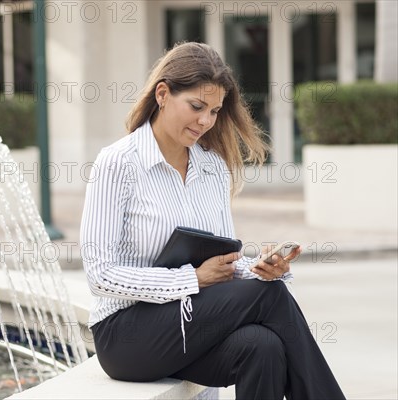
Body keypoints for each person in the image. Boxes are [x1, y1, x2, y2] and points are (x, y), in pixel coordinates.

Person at [80, 42, 345, 400]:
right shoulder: (118, 163)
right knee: (271, 298)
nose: (206, 121)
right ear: (163, 94)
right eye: (197, 107)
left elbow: (222, 264)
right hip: (127, 335)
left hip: (190, 325)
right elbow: (100, 274)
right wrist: (191, 278)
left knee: (263, 346)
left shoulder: (212, 167)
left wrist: (260, 268)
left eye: (215, 111)